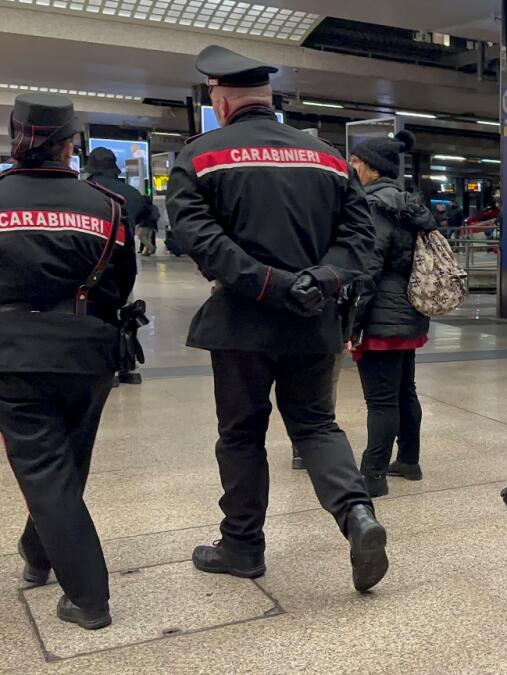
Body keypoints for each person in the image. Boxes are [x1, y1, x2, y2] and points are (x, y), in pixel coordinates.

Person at [167, 45, 388, 593]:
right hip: (314, 318)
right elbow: (360, 241)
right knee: (315, 424)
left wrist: (267, 283)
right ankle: (358, 515)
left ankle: (242, 547)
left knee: (241, 434)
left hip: (242, 323)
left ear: (219, 99)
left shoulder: (199, 156)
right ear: (271, 98)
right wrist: (319, 279)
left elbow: (200, 239)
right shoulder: (330, 159)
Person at [0, 93, 138, 629]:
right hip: (88, 350)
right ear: (69, 143)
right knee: (67, 460)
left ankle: (89, 598)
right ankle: (39, 554)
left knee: (43, 467)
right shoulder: (106, 205)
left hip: (12, 350)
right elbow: (120, 287)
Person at [347, 133, 436, 497]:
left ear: (369, 166)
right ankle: (409, 460)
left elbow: (367, 270)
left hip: (381, 314)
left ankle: (372, 473)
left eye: (354, 161)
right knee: (404, 391)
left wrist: (352, 323)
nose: (351, 167)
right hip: (409, 307)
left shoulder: (374, 206)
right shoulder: (406, 203)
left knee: (381, 400)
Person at [84, 147, 153, 386]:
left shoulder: (85, 191)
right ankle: (127, 368)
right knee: (128, 315)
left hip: (92, 265)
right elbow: (150, 214)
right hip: (125, 263)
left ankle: (105, 369)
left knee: (96, 315)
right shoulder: (132, 193)